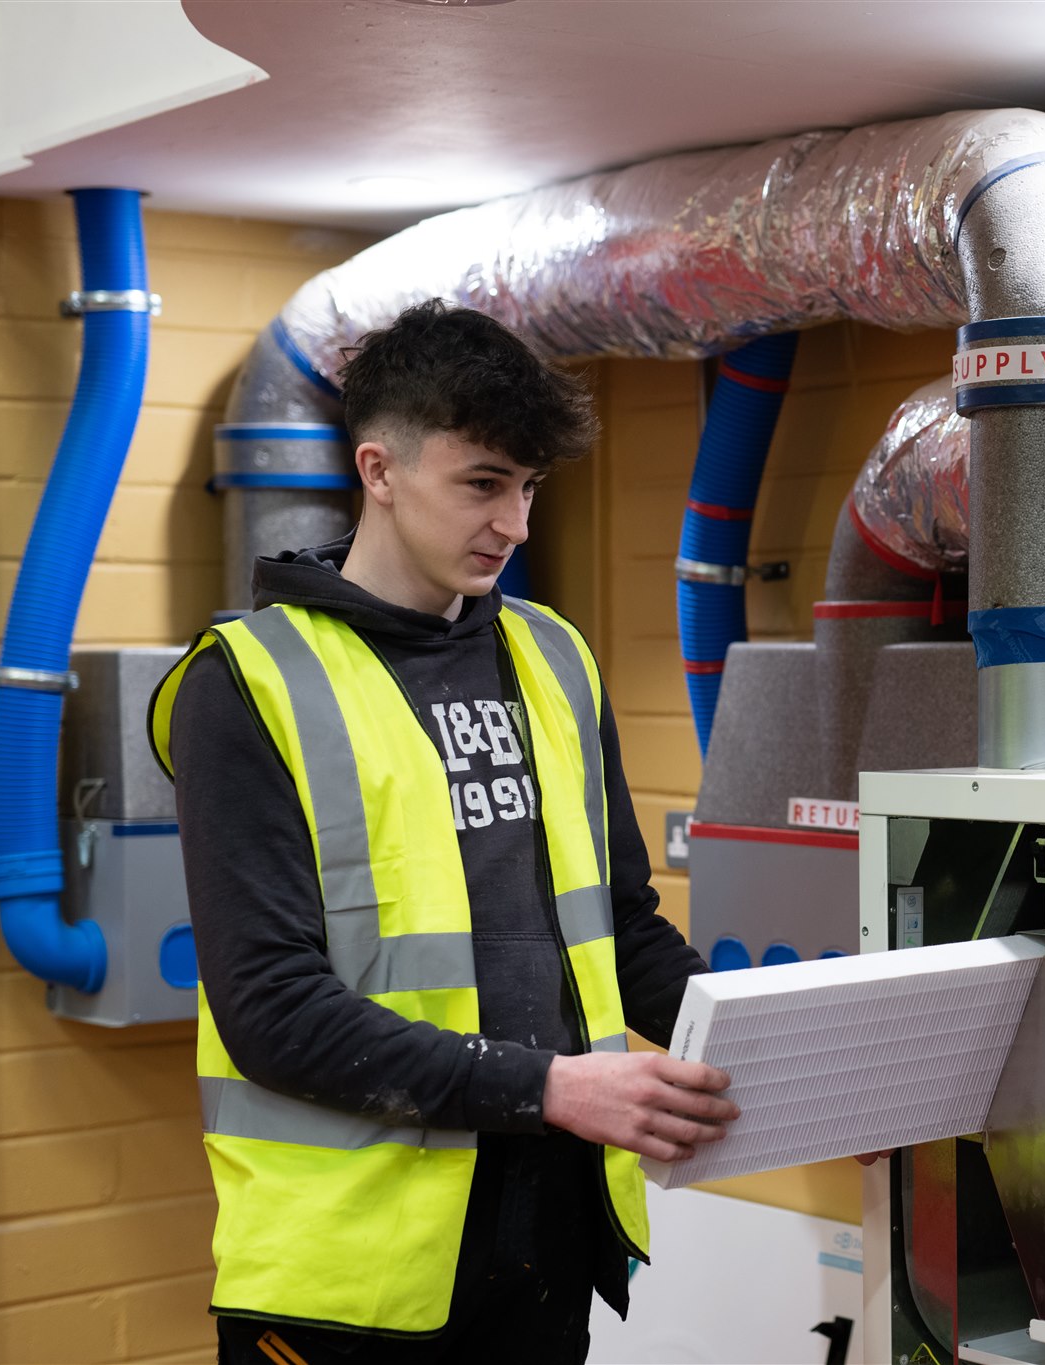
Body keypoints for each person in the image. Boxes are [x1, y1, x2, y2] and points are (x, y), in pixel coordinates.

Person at [150, 300, 736, 1364]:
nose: (512, 524)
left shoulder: (554, 655)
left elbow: (621, 928)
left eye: (527, 488)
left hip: (553, 1235)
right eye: (481, 484)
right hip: (350, 1278)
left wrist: (785, 1063)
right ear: (378, 469)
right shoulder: (248, 683)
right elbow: (270, 1011)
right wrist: (550, 1087)